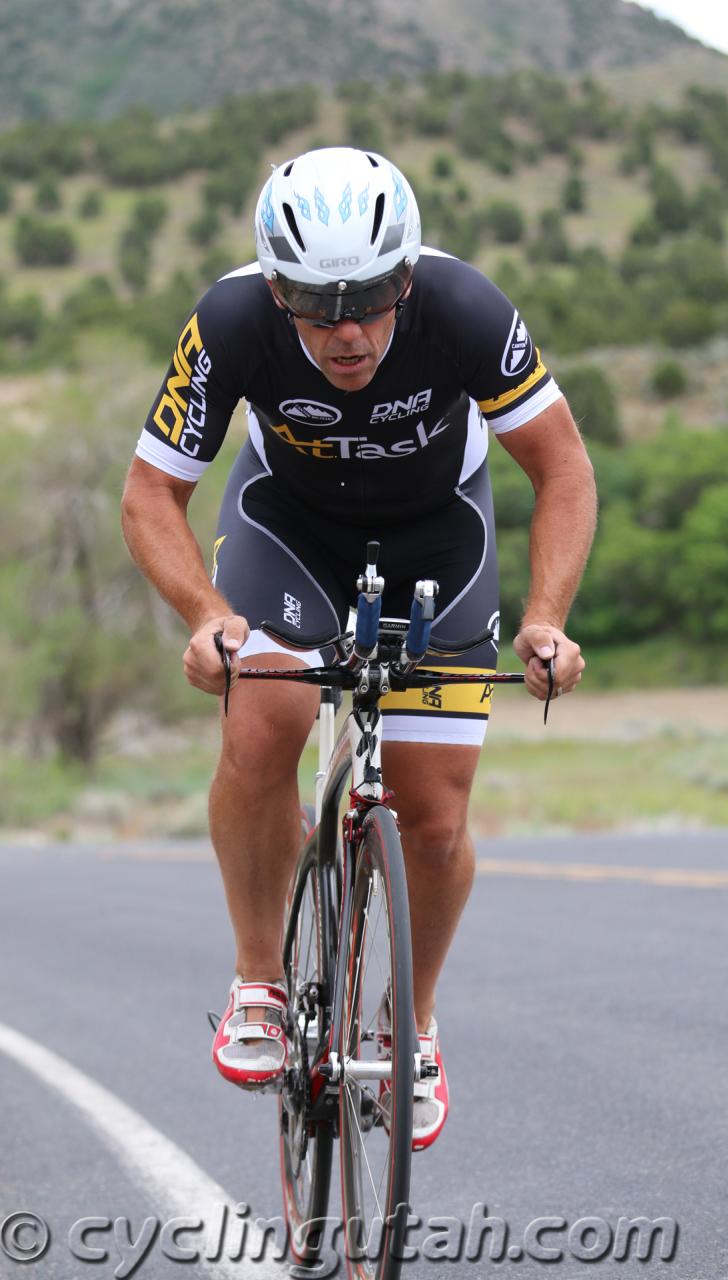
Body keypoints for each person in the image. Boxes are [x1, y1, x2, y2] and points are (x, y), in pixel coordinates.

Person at [121, 146, 595, 1151]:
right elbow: (151, 491)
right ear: (273, 285)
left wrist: (547, 617)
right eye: (313, 303)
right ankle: (259, 977)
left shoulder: (466, 310)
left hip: (438, 536)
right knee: (264, 719)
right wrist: (204, 612)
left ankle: (411, 1024)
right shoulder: (232, 321)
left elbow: (562, 468)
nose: (345, 331)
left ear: (407, 277)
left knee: (432, 817)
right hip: (288, 529)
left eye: (371, 299)